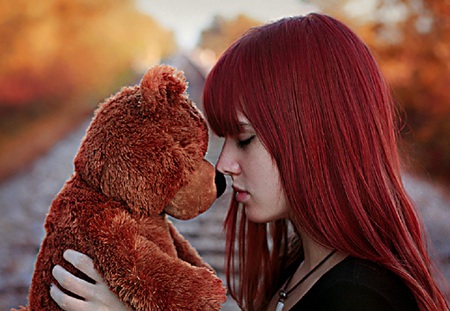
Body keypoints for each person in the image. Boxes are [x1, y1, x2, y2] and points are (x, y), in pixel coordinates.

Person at [49, 13, 449, 310]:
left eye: (244, 138)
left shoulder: (361, 300)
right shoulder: (301, 268)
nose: (223, 165)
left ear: (313, 135)